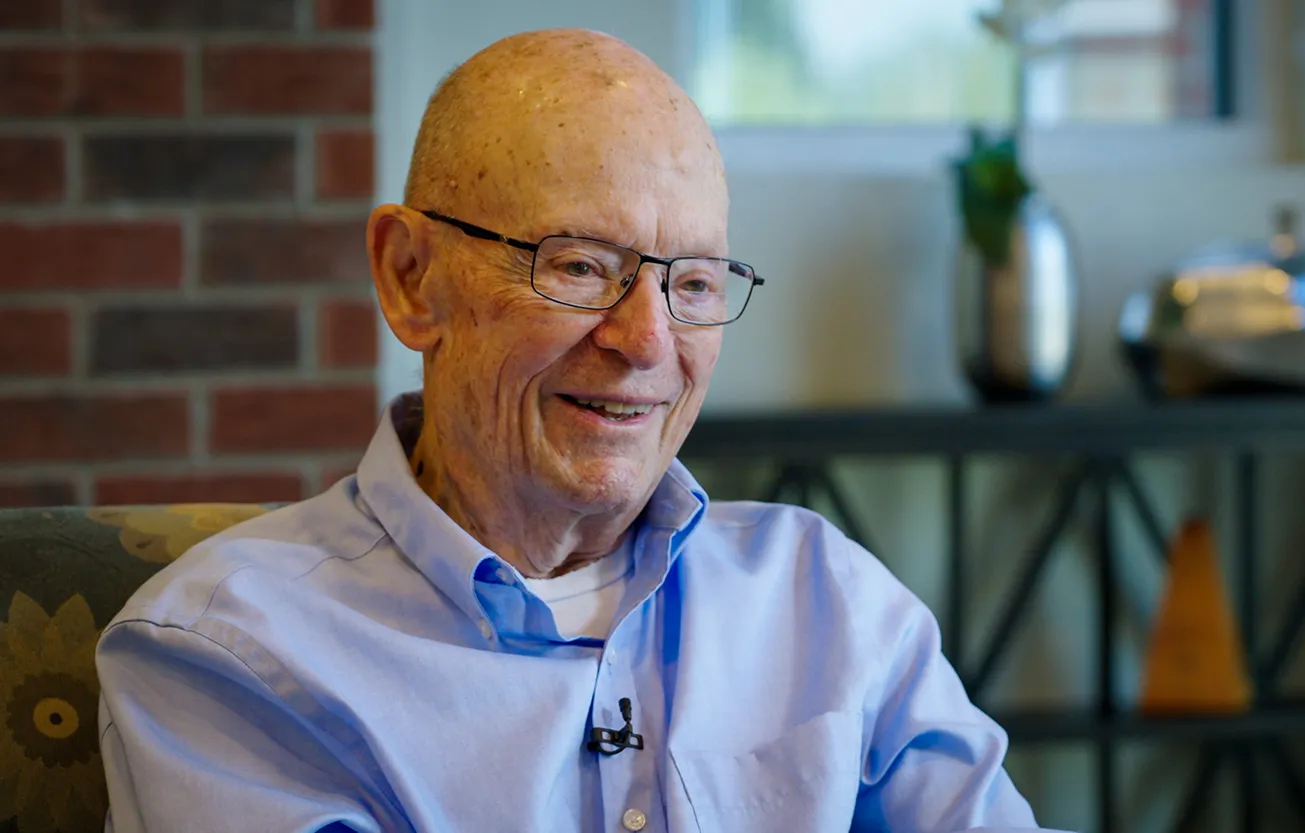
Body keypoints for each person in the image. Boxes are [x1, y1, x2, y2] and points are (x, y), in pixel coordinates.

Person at [95, 28, 1055, 833]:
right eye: (580, 266)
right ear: (411, 278)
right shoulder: (229, 654)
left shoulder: (827, 601)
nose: (647, 341)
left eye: (692, 283)